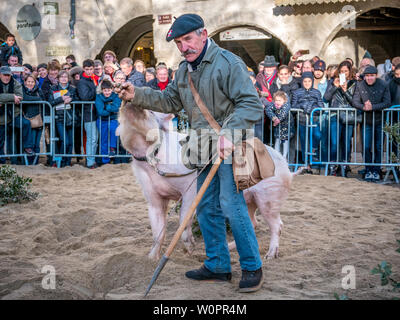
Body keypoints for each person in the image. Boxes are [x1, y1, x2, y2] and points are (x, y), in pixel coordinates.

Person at [117, 13, 264, 293]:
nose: (184, 47)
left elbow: (251, 105)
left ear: (204, 34)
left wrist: (228, 134)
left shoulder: (229, 63)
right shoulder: (183, 71)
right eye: (179, 43)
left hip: (232, 147)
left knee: (231, 205)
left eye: (188, 39)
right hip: (202, 149)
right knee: (206, 207)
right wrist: (136, 94)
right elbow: (170, 100)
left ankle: (252, 267)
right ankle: (218, 265)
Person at [352, 65, 391, 182]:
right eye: (367, 76)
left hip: (380, 121)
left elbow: (387, 102)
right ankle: (369, 170)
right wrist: (364, 107)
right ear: (364, 77)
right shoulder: (360, 85)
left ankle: (377, 170)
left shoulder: (383, 84)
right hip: (366, 121)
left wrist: (372, 107)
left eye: (372, 76)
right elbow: (354, 101)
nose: (369, 78)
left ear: (376, 76)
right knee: (366, 146)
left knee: (378, 147)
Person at [324, 60, 358, 176]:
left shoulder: (354, 83)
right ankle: (333, 166)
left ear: (350, 71)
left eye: (346, 71)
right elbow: (326, 98)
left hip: (348, 116)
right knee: (334, 142)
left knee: (346, 142)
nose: (344, 73)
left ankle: (344, 166)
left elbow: (354, 102)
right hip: (334, 114)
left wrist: (345, 90)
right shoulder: (332, 81)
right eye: (341, 71)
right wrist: (334, 86)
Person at [0, 66, 34, 164]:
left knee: (26, 123)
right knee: (0, 142)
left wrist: (4, 99)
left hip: (13, 115)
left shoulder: (15, 83)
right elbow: (15, 97)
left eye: (8, 75)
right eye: (4, 75)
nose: (7, 77)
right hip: (1, 118)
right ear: (0, 75)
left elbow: (20, 97)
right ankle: (2, 163)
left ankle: (28, 147)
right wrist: (12, 97)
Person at [291, 71, 324, 171]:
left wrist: (311, 107)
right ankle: (307, 164)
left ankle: (313, 149)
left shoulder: (316, 92)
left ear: (312, 81)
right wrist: (302, 105)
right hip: (302, 121)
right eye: (305, 81)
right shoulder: (297, 92)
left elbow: (321, 106)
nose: (307, 83)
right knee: (304, 143)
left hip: (314, 120)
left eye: (309, 81)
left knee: (318, 135)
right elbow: (293, 106)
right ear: (302, 81)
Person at [48, 70, 79, 167]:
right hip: (59, 118)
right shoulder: (53, 88)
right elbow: (50, 102)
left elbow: (79, 99)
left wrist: (71, 99)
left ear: (68, 78)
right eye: (61, 77)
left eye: (65, 76)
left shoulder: (73, 89)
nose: (64, 78)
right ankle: (60, 161)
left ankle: (67, 161)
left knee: (70, 143)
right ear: (58, 79)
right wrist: (61, 99)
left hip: (70, 117)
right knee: (65, 141)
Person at [77, 59, 99, 169]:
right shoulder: (82, 81)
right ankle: (90, 161)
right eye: (87, 69)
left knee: (95, 138)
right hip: (88, 112)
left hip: (96, 111)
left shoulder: (95, 79)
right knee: (92, 138)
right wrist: (96, 89)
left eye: (91, 69)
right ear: (83, 69)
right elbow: (85, 97)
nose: (89, 71)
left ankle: (92, 159)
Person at [95, 80, 122, 164]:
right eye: (105, 90)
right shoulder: (99, 97)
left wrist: (106, 107)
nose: (107, 92)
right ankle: (105, 160)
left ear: (112, 89)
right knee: (104, 139)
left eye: (109, 90)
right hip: (102, 120)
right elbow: (100, 111)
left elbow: (116, 108)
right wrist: (110, 109)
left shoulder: (116, 96)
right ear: (102, 90)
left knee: (113, 131)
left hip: (113, 119)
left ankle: (112, 148)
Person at [22, 74, 45, 165]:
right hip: (27, 120)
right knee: (28, 144)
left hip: (38, 120)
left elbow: (43, 99)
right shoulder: (22, 90)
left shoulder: (38, 90)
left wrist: (37, 99)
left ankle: (35, 162)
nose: (30, 83)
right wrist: (37, 99)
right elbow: (24, 98)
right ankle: (28, 163)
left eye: (32, 82)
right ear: (25, 82)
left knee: (36, 144)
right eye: (28, 81)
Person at [265, 91, 292, 159]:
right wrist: (274, 118)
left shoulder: (286, 105)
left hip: (287, 126)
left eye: (279, 100)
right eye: (276, 100)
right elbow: (268, 109)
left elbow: (284, 113)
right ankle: (276, 155)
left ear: (284, 100)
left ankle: (284, 156)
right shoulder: (274, 104)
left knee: (285, 140)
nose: (277, 102)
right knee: (277, 139)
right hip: (278, 127)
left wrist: (278, 120)